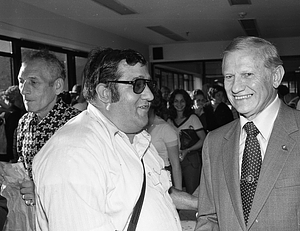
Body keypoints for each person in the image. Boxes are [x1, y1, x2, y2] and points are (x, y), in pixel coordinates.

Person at [32, 48, 186, 231]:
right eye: (137, 85)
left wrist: (199, 203)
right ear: (105, 93)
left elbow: (158, 190)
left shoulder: (136, 137)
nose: (150, 95)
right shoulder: (73, 153)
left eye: (148, 85)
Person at [195, 36, 300, 230]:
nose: (235, 87)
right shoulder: (214, 142)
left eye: (247, 74)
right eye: (229, 76)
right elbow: (209, 218)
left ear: (276, 76)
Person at [16, 49, 79, 207]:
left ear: (57, 86)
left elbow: (86, 180)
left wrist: (42, 191)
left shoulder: (77, 123)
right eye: (21, 81)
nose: (24, 90)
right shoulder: (24, 122)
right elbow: (22, 164)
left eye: (34, 82)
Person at [168, 89, 206, 194]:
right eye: (176, 101)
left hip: (191, 159)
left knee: (192, 192)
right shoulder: (169, 120)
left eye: (182, 101)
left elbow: (203, 139)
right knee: (174, 192)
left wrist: (188, 150)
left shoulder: (193, 118)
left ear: (187, 102)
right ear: (171, 103)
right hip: (173, 159)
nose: (179, 104)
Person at [146, 89, 182, 190]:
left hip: (162, 177)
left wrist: (178, 191)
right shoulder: (136, 127)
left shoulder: (165, 128)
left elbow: (176, 165)